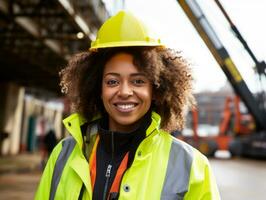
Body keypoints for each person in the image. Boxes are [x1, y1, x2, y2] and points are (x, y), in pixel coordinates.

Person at [35, 10, 220, 200]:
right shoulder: (62, 155)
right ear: (97, 88)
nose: (124, 92)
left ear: (156, 90)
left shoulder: (192, 166)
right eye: (112, 81)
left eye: (138, 81)